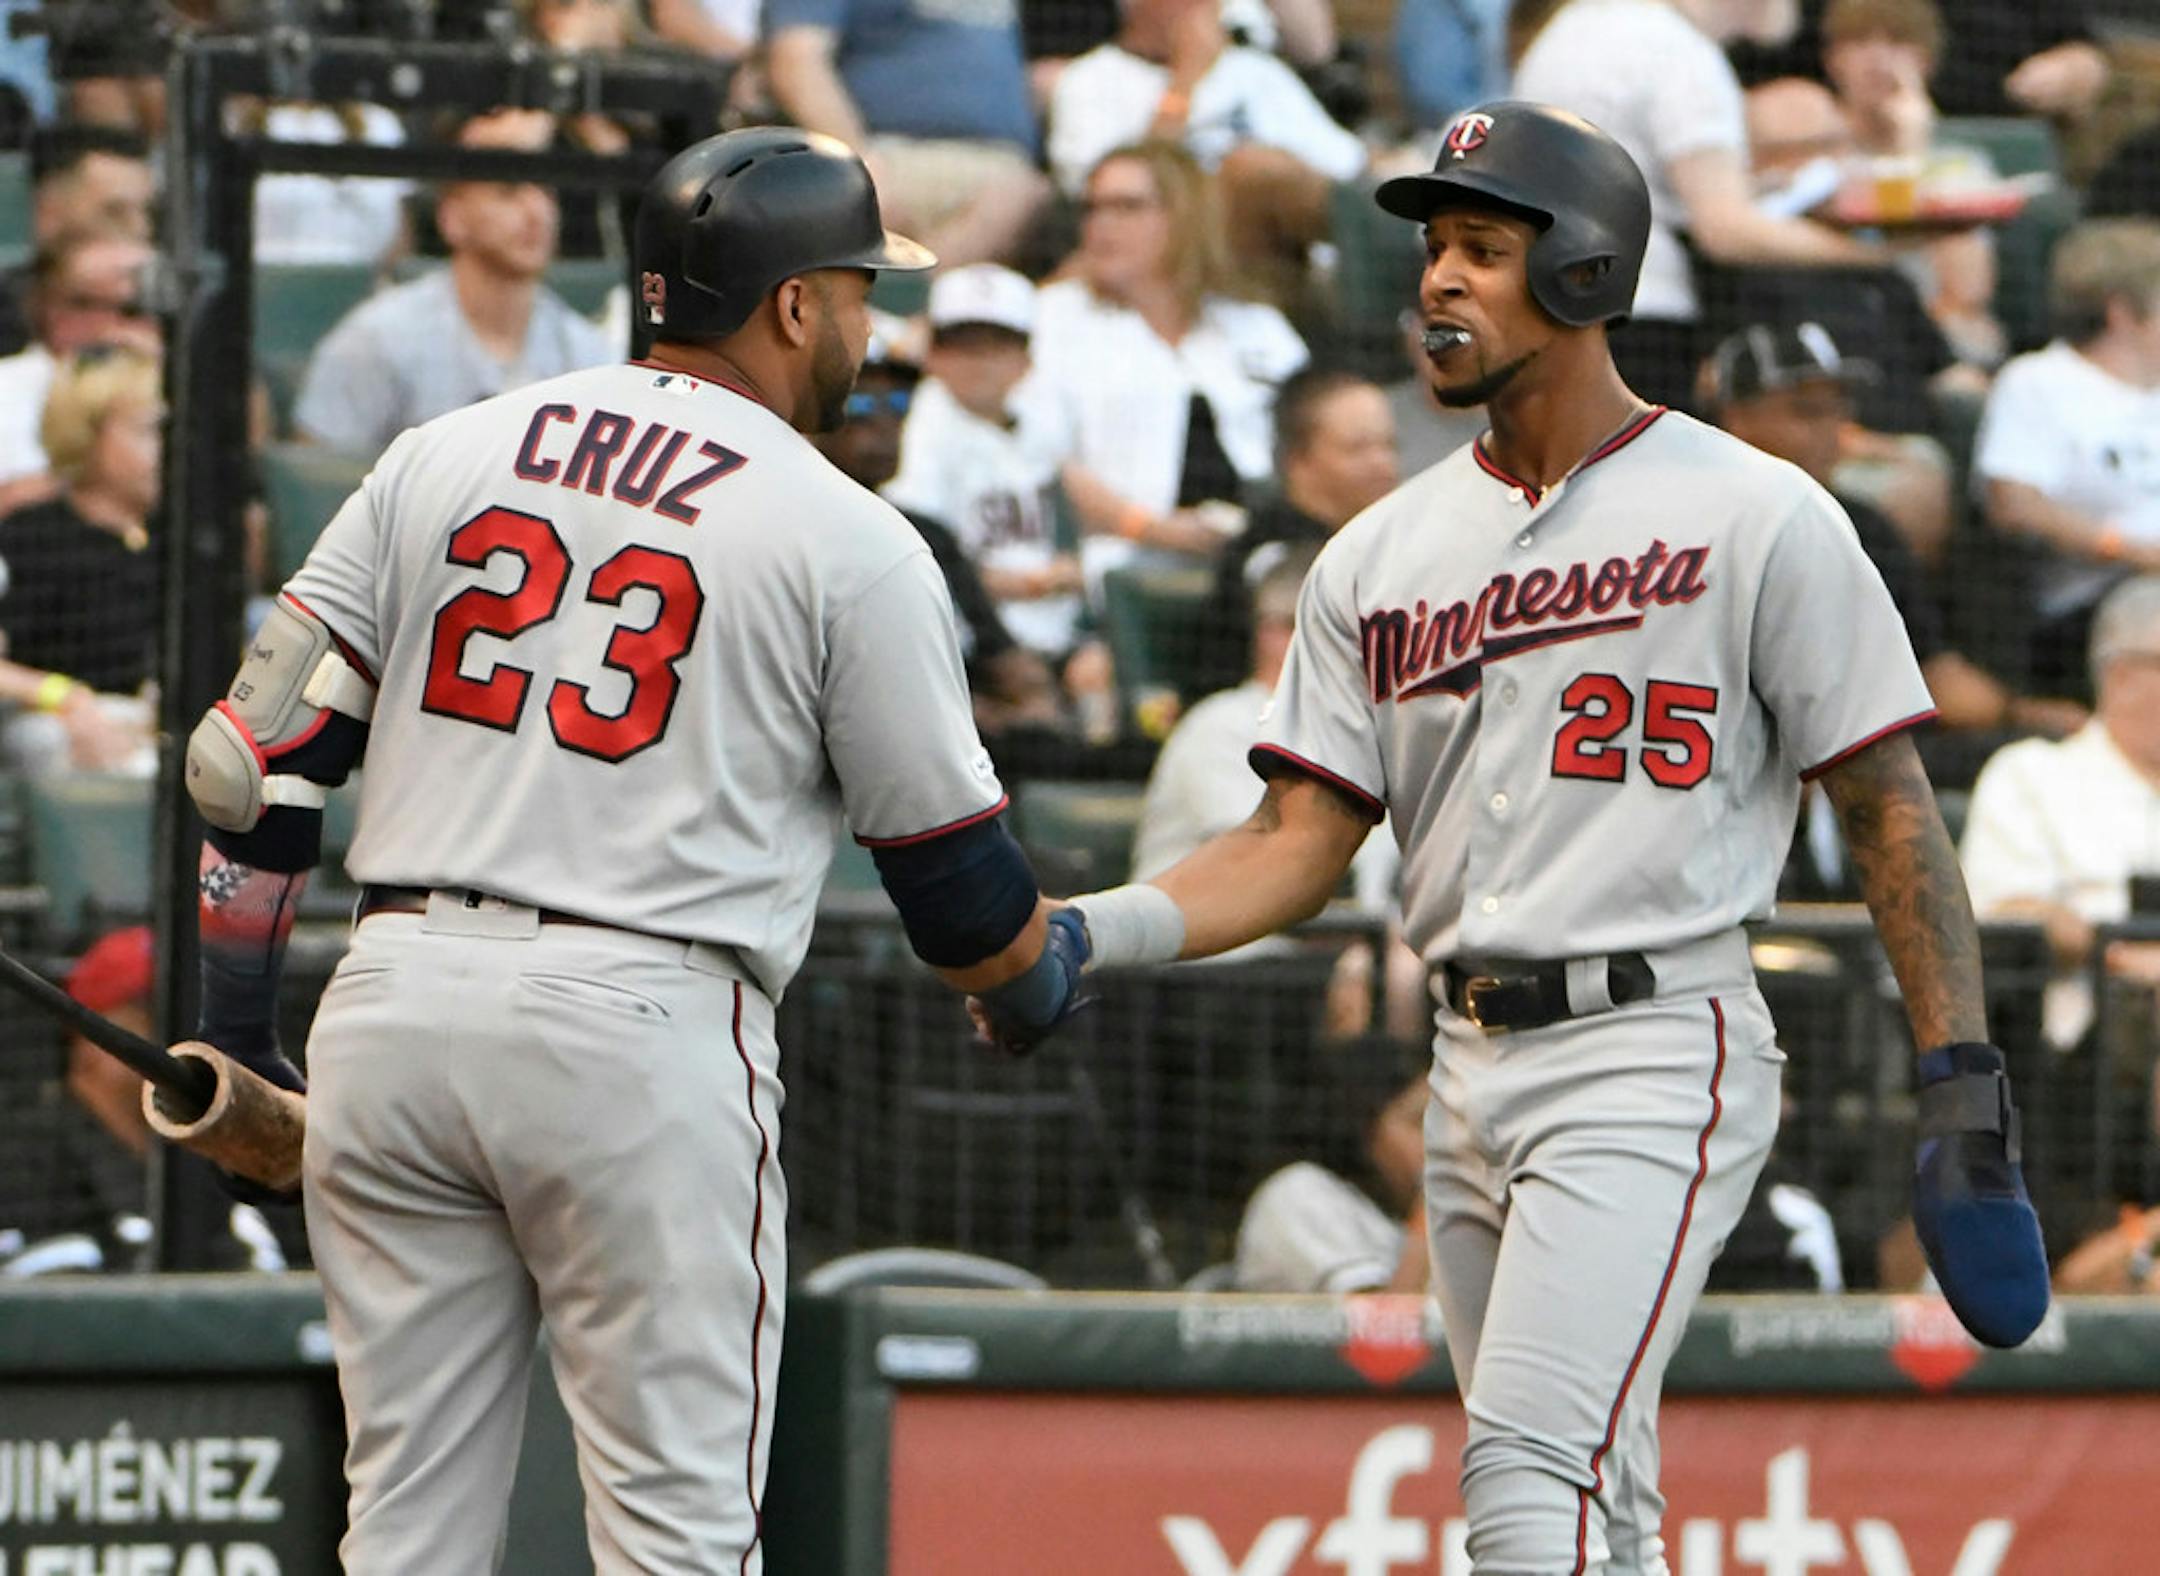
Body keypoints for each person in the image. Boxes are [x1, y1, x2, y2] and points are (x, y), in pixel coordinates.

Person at [1010, 101, 2047, 1572]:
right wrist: (1086, 932)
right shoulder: (1376, 554)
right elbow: (1297, 836)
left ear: (1584, 278)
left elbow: (1885, 805)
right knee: (1595, 1500)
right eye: (1433, 248)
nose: (1437, 279)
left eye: (1483, 249)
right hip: (1465, 1066)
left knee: (1525, 1476)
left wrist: (1962, 1084)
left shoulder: (1759, 512)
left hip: (1651, 1037)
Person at [166, 127, 1088, 1572]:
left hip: (394, 1006)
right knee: (679, 1535)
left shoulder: (448, 450)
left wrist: (242, 1036)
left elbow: (252, 762)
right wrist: (1037, 983)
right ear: (792, 306)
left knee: (405, 1531)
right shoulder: (846, 533)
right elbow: (965, 901)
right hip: (637, 1029)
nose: (867, 322)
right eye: (857, 290)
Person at [1703, 319, 2083, 785]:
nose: (1831, 431)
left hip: (1856, 745)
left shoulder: (1863, 525)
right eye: (1806, 412)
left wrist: (2024, 714)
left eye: (1838, 411)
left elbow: (1932, 675)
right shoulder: (1695, 523)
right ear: (1735, 417)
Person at [1508, 0, 1888, 411]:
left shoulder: (1565, 34)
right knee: (1642, 472)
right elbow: (1724, 229)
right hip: (1639, 325)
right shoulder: (1680, 55)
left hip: (1544, 311)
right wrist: (1876, 251)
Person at [1025, 142, 1307, 593]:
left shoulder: (1255, 325)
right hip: (1118, 568)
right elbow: (1038, 458)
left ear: (1186, 215)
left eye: (1127, 207)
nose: (1102, 225)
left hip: (1264, 559)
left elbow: (1308, 437)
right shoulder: (1051, 317)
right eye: (1092, 209)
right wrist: (1151, 528)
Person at [292, 110, 615, 457]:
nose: (537, 210)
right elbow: (320, 487)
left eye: (546, 192)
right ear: (452, 217)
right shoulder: (377, 340)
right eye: (508, 191)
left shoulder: (587, 354)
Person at [815, 330, 1067, 737]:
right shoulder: (790, 528)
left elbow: (1011, 664)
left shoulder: (927, 533)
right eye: (860, 402)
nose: (883, 423)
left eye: (897, 403)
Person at [1045, 0, 1367, 303]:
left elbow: (1346, 164)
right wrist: (1184, 83)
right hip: (1181, 251)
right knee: (1249, 169)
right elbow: (1116, 191)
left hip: (1290, 253)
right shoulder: (1090, 80)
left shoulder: (1249, 68)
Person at [1960, 576, 2160, 1052]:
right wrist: (2120, 956)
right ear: (2122, 676)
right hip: (2083, 1046)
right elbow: (2005, 912)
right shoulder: (2033, 775)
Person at [1970, 219, 2160, 697]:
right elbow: (2012, 502)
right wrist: (2132, 550)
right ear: (2122, 312)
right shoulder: (2039, 382)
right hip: (2095, 600)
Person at [764, 0, 1051, 268]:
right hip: (890, 156)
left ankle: (911, 306)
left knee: (1025, 194)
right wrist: (858, 164)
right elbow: (796, 59)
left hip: (1008, 169)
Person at [0, 346, 166, 776]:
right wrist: (67, 699)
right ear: (89, 433)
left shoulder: (185, 536)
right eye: (150, 431)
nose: (168, 448)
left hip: (163, 721)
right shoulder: (30, 535)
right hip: (59, 719)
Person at [1818, 0, 2005, 373]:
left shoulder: (1960, 166)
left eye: (1897, 42)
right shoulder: (1813, 158)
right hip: (1842, 322)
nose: (1878, 58)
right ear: (1833, 59)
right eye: (1859, 42)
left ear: (1926, 60)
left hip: (1934, 338)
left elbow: (1968, 293)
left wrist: (1913, 152)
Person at [1191, 365, 1399, 694]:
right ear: (1297, 460)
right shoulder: (1270, 555)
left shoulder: (1390, 541)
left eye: (1389, 446)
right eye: (1357, 448)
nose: (1383, 464)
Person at [1234, 1036, 1431, 1293]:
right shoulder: (1300, 1194)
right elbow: (1378, 1327)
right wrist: (1436, 1202)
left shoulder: (1388, 1215)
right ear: (1363, 1127)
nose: (1437, 1140)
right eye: (1420, 1122)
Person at [0, 228, 156, 508]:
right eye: (83, 303)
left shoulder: (185, 387)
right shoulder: (7, 387)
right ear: (43, 304)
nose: (110, 322)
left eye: (131, 307)